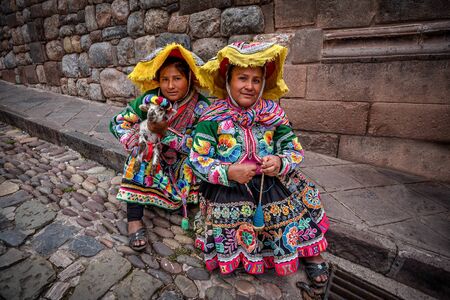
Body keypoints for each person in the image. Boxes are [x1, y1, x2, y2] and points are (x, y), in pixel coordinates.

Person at [190, 41, 329, 285]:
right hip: (228, 185)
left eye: (256, 80)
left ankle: (310, 253)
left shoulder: (273, 115)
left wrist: (279, 161)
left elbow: (294, 149)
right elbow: (198, 158)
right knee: (232, 214)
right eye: (242, 78)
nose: (249, 86)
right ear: (228, 81)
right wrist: (228, 171)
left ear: (263, 83)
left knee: (285, 209)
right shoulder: (212, 117)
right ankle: (243, 256)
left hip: (270, 181)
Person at [110, 44, 210, 251]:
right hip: (155, 160)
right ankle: (134, 220)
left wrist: (165, 134)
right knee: (141, 158)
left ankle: (194, 209)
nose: (170, 85)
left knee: (201, 165)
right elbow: (118, 122)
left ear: (190, 78)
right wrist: (137, 142)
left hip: (183, 161)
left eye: (177, 79)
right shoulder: (149, 99)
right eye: (165, 79)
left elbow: (201, 146)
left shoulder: (202, 107)